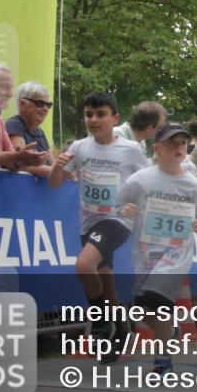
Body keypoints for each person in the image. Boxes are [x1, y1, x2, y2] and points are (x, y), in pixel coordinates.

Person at [49, 92, 150, 362]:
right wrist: (58, 168)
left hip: (117, 220)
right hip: (89, 221)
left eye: (100, 114)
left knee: (83, 265)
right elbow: (55, 183)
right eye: (88, 114)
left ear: (115, 118)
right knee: (106, 283)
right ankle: (121, 330)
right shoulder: (80, 147)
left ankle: (101, 320)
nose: (93, 120)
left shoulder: (130, 149)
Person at [118, 123, 197, 374]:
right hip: (146, 252)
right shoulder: (140, 180)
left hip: (177, 253)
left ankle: (163, 361)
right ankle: (170, 331)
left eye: (182, 143)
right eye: (171, 143)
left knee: (157, 301)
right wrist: (125, 210)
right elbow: (120, 202)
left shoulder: (192, 184)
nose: (178, 148)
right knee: (141, 308)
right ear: (156, 148)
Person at [6, 81, 55, 178]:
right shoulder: (14, 125)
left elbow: (52, 163)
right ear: (23, 104)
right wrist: (58, 173)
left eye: (48, 104)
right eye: (40, 103)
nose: (45, 108)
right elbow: (21, 164)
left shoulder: (39, 132)